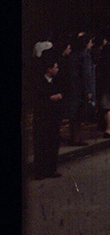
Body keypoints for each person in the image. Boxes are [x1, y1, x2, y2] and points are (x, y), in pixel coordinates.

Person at [32, 49, 65, 179]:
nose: (57, 69)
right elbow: (37, 99)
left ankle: (52, 168)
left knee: (53, 143)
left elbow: (63, 92)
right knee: (41, 145)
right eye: (55, 67)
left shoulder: (57, 80)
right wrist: (50, 98)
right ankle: (40, 171)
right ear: (49, 69)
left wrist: (60, 96)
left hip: (54, 116)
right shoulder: (39, 81)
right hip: (42, 117)